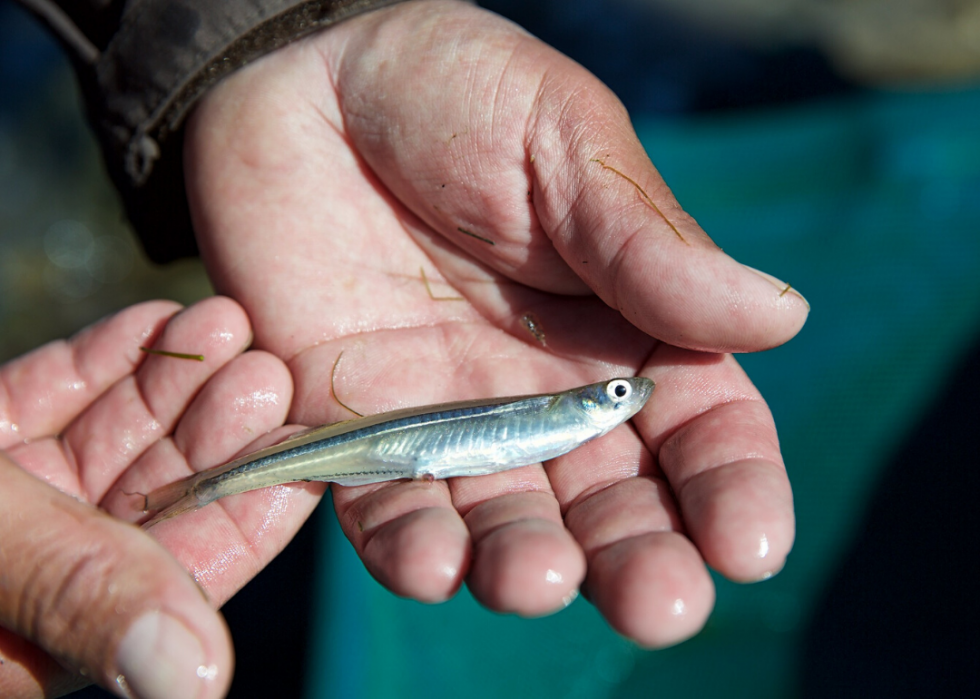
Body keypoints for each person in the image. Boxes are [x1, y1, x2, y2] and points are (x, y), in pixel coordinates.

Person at [2, 1, 808, 697]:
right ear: (584, 403)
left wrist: (276, 37)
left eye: (618, 398)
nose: (620, 400)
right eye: (615, 396)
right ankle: (204, 486)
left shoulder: (567, 420)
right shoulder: (574, 417)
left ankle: (201, 486)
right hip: (384, 444)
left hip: (390, 442)